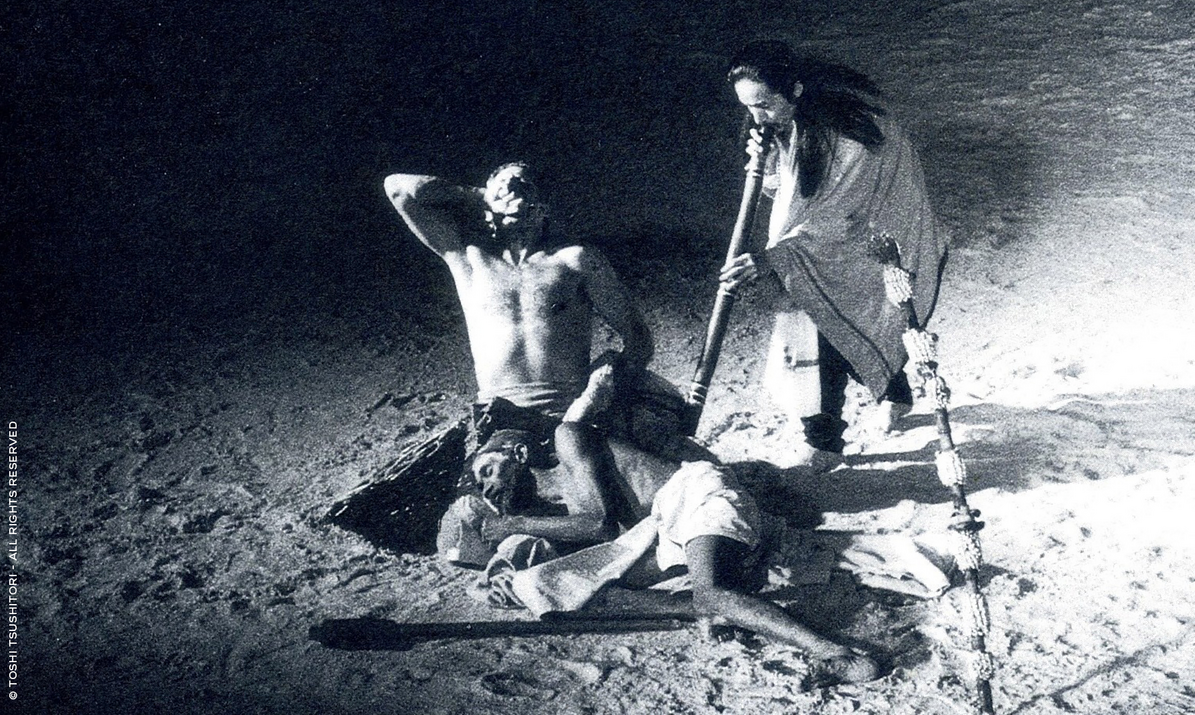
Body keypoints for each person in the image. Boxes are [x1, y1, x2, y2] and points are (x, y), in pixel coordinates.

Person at [451, 424, 880, 687]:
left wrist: (514, 524)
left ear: (519, 454)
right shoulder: (550, 510)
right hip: (663, 529)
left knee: (711, 591)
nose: (488, 486)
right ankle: (709, 609)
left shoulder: (568, 440)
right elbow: (590, 546)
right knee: (571, 590)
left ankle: (836, 654)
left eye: (488, 470)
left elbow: (597, 524)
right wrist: (508, 573)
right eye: (481, 484)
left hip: (693, 493)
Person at [718, 40, 946, 468]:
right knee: (824, 318)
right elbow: (794, 197)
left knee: (826, 324)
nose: (757, 117)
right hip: (825, 247)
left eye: (764, 105)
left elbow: (837, 219)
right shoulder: (791, 122)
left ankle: (823, 442)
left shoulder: (849, 140)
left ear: (795, 90)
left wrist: (771, 260)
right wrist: (768, 163)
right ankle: (893, 389)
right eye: (748, 107)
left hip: (879, 244)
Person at [384, 162, 695, 457]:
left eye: (522, 185)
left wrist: (598, 388)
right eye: (503, 186)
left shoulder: (575, 261)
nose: (512, 189)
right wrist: (480, 195)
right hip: (501, 420)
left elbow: (639, 339)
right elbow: (397, 188)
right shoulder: (469, 259)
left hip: (573, 415)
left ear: (543, 208)